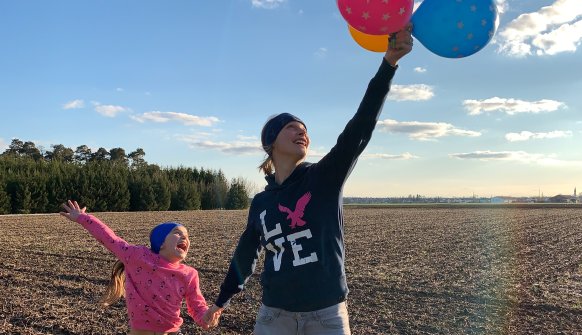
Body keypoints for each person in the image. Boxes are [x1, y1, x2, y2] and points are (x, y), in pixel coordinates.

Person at [201, 25, 413, 335]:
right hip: (274, 316)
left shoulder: (323, 178)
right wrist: (221, 301)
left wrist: (389, 64)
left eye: (304, 129)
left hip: (326, 316)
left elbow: (360, 127)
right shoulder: (261, 203)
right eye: (291, 127)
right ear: (271, 143)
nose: (302, 131)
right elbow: (246, 254)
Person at [60, 199, 219, 335]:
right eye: (178, 233)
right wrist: (82, 218)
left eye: (187, 235)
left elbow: (196, 306)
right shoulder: (138, 257)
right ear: (161, 242)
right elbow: (110, 238)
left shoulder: (189, 274)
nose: (185, 237)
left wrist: (206, 317)